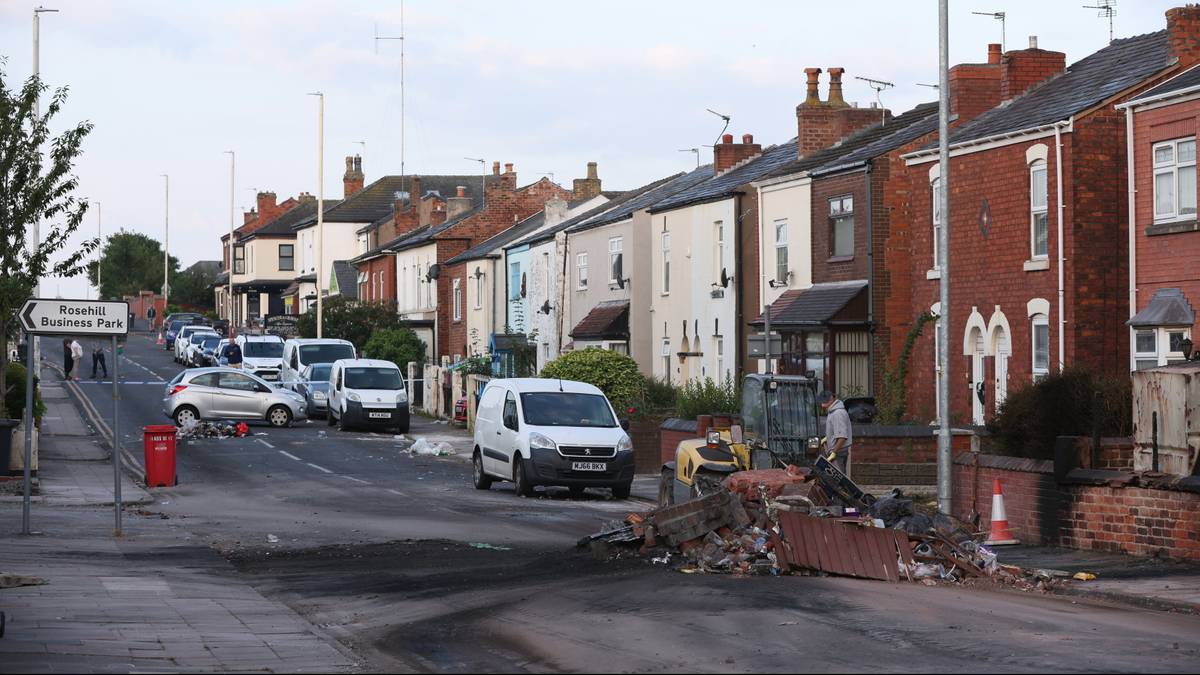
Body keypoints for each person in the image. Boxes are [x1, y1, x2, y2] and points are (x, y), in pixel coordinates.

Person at [818, 390, 853, 474]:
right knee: (836, 479)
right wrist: (827, 438)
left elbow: (842, 437)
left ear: (831, 399)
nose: (822, 404)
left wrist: (834, 452)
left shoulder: (838, 413)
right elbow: (836, 431)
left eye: (824, 401)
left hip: (838, 452)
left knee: (838, 479)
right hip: (837, 450)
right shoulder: (832, 411)